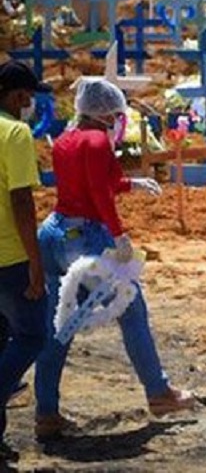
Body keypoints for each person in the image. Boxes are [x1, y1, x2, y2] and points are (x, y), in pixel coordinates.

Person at [34, 78, 192, 439]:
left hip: (55, 232)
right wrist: (118, 234)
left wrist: (131, 184)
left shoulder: (65, 140)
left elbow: (88, 183)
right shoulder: (97, 142)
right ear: (107, 114)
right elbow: (96, 192)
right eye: (118, 115)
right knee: (132, 307)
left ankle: (46, 411)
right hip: (85, 238)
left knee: (58, 324)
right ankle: (159, 392)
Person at [0, 60, 50, 462]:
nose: (30, 103)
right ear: (16, 96)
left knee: (2, 339)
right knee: (32, 335)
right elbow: (20, 199)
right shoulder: (14, 133)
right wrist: (36, 261)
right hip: (9, 257)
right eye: (28, 96)